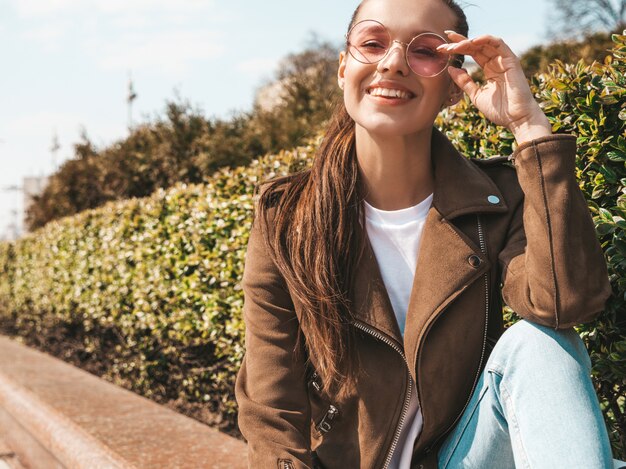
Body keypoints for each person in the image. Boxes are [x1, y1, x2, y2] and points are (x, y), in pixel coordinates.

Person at [234, 0, 622, 467]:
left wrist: (528, 127)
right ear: (343, 68)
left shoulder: (498, 200)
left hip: (462, 457)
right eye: (373, 43)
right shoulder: (287, 217)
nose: (394, 61)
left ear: (456, 85)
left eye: (426, 51)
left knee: (545, 345)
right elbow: (271, 406)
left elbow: (563, 305)